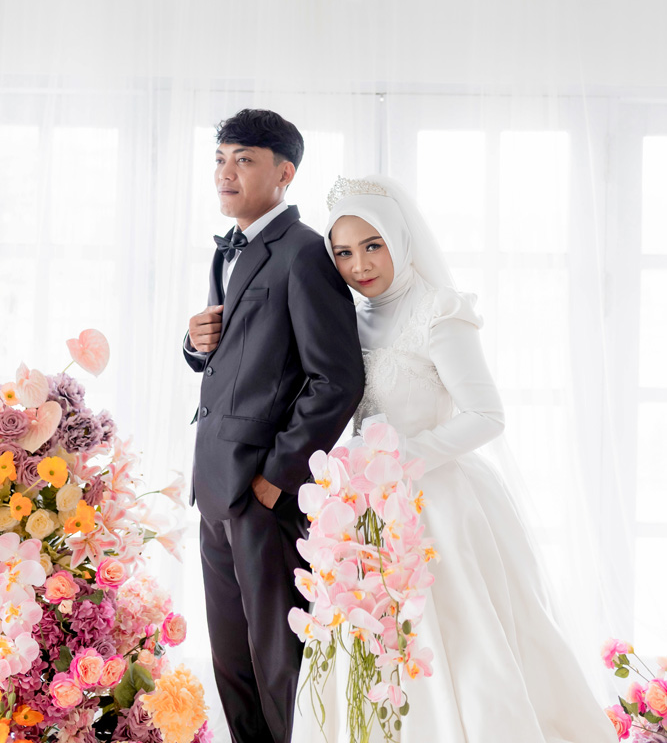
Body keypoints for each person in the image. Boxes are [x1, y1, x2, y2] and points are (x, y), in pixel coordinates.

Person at [290, 174, 616, 743]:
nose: (359, 265)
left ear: (400, 239)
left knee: (458, 645)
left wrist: (402, 458)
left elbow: (486, 415)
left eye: (373, 246)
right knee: (369, 642)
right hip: (363, 508)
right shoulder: (348, 318)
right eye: (343, 253)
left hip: (435, 501)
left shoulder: (438, 311)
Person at [183, 112, 364, 743]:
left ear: (285, 173)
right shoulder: (226, 249)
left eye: (244, 160)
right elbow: (238, 358)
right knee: (231, 662)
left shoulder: (305, 252)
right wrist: (194, 344)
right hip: (214, 485)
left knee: (280, 663)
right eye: (220, 158)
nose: (225, 172)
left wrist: (276, 479)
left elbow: (336, 379)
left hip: (263, 492)